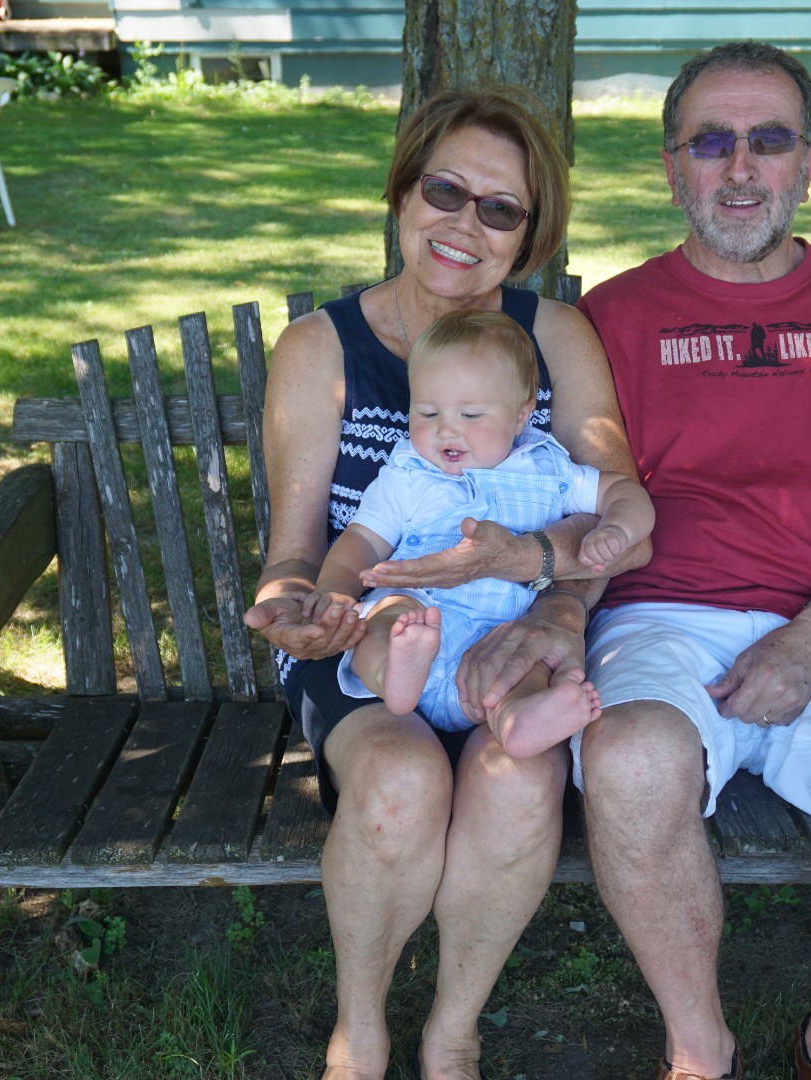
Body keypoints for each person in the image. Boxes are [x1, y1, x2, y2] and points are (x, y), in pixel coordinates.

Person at [460, 41, 811, 1079]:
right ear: (673, 168)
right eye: (711, 143)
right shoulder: (611, 320)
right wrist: (563, 607)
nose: (741, 168)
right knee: (630, 758)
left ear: (809, 163)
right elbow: (581, 496)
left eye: (770, 140)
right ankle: (698, 1048)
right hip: (659, 620)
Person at [242, 87, 648, 1080]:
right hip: (373, 630)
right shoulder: (322, 349)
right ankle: (361, 1029)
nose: (465, 224)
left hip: (517, 629)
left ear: (529, 236)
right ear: (402, 192)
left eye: (500, 208)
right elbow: (297, 548)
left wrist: (553, 598)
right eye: (444, 190)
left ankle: (454, 1027)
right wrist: (302, 606)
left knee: (521, 782)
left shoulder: (555, 339)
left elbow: (616, 518)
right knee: (399, 777)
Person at [303, 309, 654, 759]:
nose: (446, 429)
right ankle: (395, 673)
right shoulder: (409, 473)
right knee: (386, 617)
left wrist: (619, 526)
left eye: (470, 414)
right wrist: (333, 593)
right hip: (421, 610)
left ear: (522, 415)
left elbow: (623, 491)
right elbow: (363, 540)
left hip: (505, 633)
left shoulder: (548, 469)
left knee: (528, 666)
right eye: (427, 412)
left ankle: (519, 720)